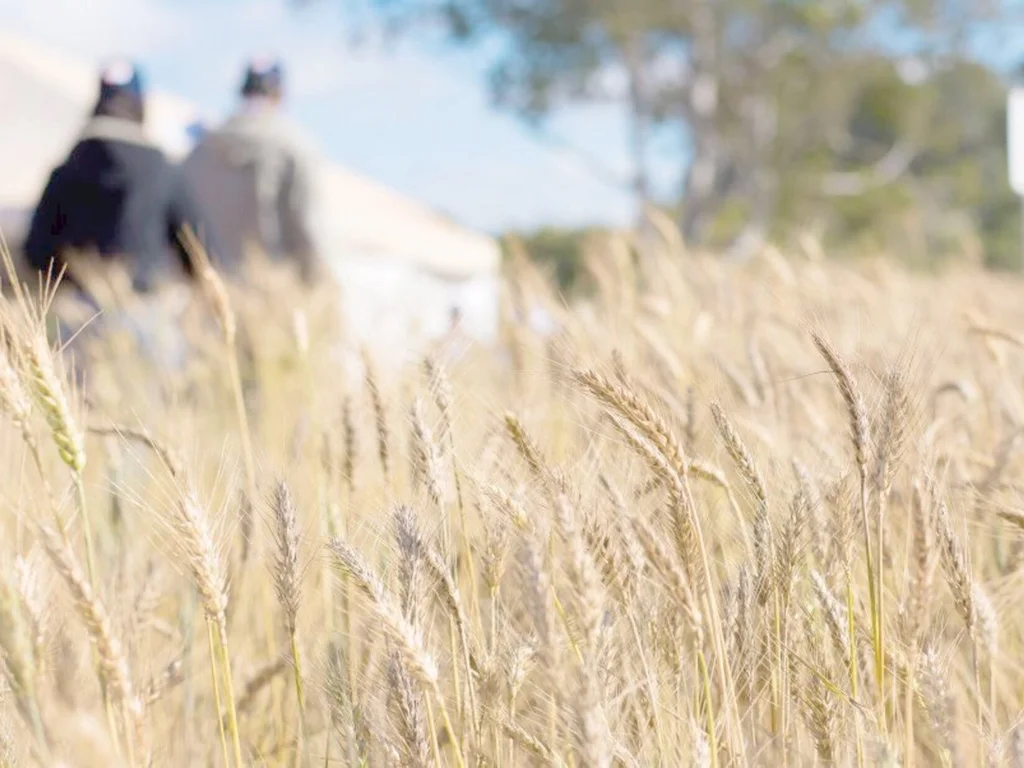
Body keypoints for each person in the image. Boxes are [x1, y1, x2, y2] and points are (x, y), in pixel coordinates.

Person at [23, 60, 213, 370]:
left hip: (78, 322)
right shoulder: (163, 169)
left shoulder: (66, 170)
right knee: (154, 413)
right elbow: (199, 250)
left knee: (82, 412)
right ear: (140, 104)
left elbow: (35, 252)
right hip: (149, 319)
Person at [181, 56, 323, 284]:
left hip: (209, 291)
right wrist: (320, 284)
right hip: (271, 292)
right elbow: (305, 226)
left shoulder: (199, 152)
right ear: (279, 94)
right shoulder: (293, 147)